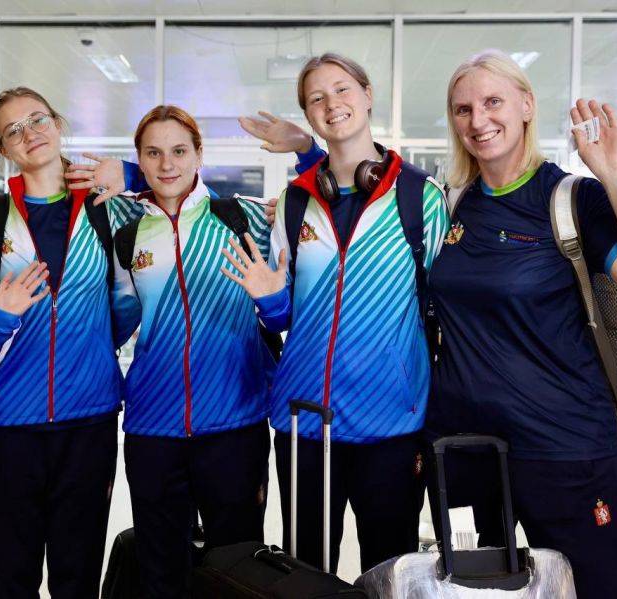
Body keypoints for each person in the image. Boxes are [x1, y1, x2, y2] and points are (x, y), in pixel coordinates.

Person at [422, 49, 617, 599]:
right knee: (475, 592)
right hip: (465, 451)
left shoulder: (572, 199)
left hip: (564, 450)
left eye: (493, 102)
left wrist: (615, 172)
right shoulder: (452, 205)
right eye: (463, 109)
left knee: (589, 590)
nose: (478, 120)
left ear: (527, 106)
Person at [226, 53, 449, 574]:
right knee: (306, 573)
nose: (332, 104)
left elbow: (444, 306)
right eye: (316, 98)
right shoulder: (294, 203)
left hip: (392, 424)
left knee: (390, 572)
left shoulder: (420, 198)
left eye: (342, 89)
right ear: (308, 114)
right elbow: (282, 320)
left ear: (367, 95)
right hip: (306, 423)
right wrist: (269, 301)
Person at [107, 104, 274, 598]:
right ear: (139, 159)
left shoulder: (245, 218)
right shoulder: (129, 233)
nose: (167, 164)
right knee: (160, 573)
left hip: (233, 426)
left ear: (200, 154)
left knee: (238, 572)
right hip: (152, 430)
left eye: (179, 151)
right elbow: (118, 321)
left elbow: (283, 307)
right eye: (153, 153)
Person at [0, 87, 128, 598]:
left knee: (76, 577)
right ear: (2, 149)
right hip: (9, 426)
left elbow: (127, 303)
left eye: (37, 119)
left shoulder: (106, 209)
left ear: (57, 123)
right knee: (13, 578)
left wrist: (89, 349)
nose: (29, 134)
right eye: (13, 130)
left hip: (90, 420)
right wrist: (2, 319)